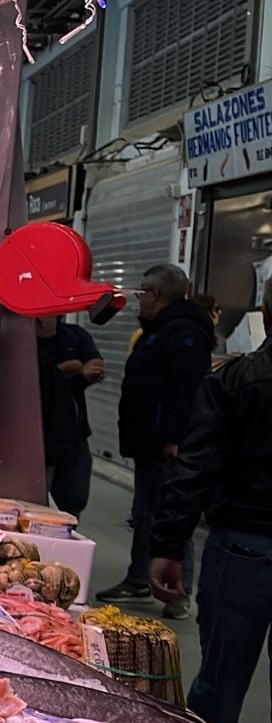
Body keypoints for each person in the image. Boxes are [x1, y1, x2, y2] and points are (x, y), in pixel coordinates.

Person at [150, 277, 272, 723]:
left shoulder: (236, 381)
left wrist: (166, 546)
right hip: (243, 543)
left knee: (220, 680)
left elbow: (195, 470)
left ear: (264, 311)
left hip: (243, 547)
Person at [97, 263, 212, 618]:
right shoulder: (159, 330)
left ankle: (178, 593)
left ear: (157, 294)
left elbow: (188, 391)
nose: (138, 296)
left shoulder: (183, 334)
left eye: (143, 290)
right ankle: (139, 578)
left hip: (167, 446)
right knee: (144, 512)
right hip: (149, 443)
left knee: (171, 512)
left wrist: (175, 438)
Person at [36, 314, 102, 518]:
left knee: (72, 501)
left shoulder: (75, 336)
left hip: (73, 432)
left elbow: (96, 369)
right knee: (35, 503)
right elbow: (35, 383)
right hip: (35, 434)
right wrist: (68, 371)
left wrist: (63, 376)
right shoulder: (24, 341)